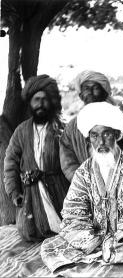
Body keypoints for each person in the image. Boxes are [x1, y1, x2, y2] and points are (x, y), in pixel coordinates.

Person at [41, 102, 123, 272]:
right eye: (94, 136)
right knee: (49, 247)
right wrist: (90, 239)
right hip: (94, 237)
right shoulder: (84, 171)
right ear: (88, 139)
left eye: (106, 134)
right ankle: (104, 253)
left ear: (116, 135)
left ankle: (108, 253)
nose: (101, 141)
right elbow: (73, 209)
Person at [4, 75, 69, 242]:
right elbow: (10, 163)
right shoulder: (21, 131)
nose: (40, 104)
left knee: (66, 229)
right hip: (31, 195)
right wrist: (14, 193)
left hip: (59, 190)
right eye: (36, 99)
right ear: (30, 103)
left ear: (52, 102)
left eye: (44, 99)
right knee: (30, 232)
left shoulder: (62, 129)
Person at [60, 70, 123, 181]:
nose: (91, 92)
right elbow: (67, 160)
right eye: (86, 89)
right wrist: (82, 182)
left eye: (95, 88)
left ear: (104, 91)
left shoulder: (119, 118)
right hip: (88, 187)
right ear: (80, 95)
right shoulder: (72, 127)